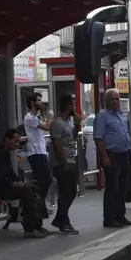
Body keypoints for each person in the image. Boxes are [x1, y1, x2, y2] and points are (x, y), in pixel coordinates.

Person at [0, 129, 48, 238]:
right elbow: (0, 179)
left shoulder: (6, 153)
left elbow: (11, 174)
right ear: (7, 139)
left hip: (3, 186)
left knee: (34, 187)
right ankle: (29, 228)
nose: (17, 144)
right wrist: (19, 185)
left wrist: (22, 182)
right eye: (15, 141)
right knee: (26, 192)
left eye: (19, 142)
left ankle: (37, 225)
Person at [93, 88, 131, 228]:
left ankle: (120, 215)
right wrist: (104, 157)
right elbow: (99, 138)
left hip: (124, 153)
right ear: (106, 101)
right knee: (113, 187)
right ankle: (109, 219)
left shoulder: (121, 115)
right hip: (112, 155)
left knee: (124, 186)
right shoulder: (102, 116)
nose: (115, 102)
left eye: (117, 99)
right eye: (112, 99)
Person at [50, 95, 80, 235]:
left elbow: (72, 138)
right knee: (65, 192)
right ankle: (64, 222)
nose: (74, 107)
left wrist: (77, 125)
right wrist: (64, 162)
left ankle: (60, 219)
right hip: (63, 162)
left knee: (72, 191)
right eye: (73, 104)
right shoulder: (58, 123)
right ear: (68, 106)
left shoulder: (68, 123)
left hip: (71, 159)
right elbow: (57, 144)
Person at [24, 93, 54, 211]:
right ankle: (38, 205)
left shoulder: (35, 116)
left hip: (41, 151)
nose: (41, 102)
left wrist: (45, 115)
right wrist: (51, 116)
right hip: (35, 153)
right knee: (44, 179)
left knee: (44, 179)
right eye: (39, 100)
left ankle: (40, 205)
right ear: (32, 103)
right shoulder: (29, 117)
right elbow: (47, 127)